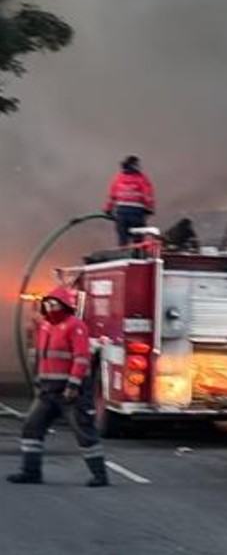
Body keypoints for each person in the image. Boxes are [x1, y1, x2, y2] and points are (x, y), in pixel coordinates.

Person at [8, 287, 108, 487]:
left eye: (53, 304)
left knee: (83, 431)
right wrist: (39, 382)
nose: (49, 307)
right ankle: (31, 472)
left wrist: (73, 385)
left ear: (65, 306)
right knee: (32, 427)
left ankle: (100, 475)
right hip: (47, 391)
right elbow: (43, 358)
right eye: (47, 304)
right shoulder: (46, 327)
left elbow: (81, 358)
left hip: (70, 393)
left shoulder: (75, 326)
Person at [104, 155, 156, 247]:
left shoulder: (119, 178)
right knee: (138, 238)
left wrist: (108, 209)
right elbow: (148, 195)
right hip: (137, 213)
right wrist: (150, 208)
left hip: (121, 212)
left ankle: (122, 255)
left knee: (122, 238)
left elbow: (112, 196)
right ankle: (137, 256)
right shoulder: (141, 179)